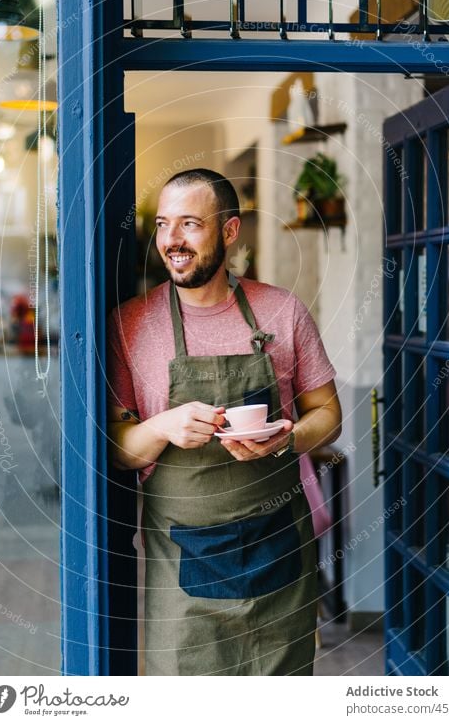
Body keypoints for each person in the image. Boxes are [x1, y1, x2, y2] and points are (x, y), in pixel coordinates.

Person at [107, 168, 342, 676]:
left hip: (277, 553)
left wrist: (290, 436)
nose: (172, 240)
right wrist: (162, 427)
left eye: (190, 224)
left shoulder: (282, 311)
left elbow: (328, 415)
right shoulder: (129, 323)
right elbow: (117, 447)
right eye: (165, 225)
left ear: (230, 232)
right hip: (182, 565)